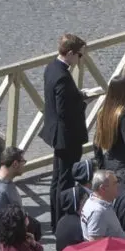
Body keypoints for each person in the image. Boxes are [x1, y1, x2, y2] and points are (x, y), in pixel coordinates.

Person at [41, 33, 89, 226]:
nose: (80, 59)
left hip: (57, 133)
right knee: (65, 180)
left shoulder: (51, 67)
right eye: (79, 55)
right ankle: (62, 221)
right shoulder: (62, 76)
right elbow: (64, 110)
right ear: (69, 53)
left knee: (57, 179)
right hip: (66, 136)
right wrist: (82, 100)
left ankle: (56, 220)